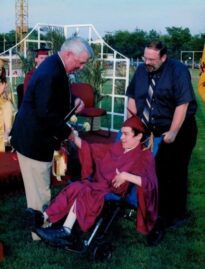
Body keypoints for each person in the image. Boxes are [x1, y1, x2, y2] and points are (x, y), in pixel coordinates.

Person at [25, 115, 158, 246]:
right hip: (100, 184)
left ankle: (66, 231)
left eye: (126, 134)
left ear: (139, 136)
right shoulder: (119, 147)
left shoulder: (144, 156)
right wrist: (73, 137)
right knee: (75, 186)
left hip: (113, 191)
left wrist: (126, 176)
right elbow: (94, 150)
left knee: (85, 191)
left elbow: (149, 183)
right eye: (121, 133)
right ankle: (43, 217)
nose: (121, 137)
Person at [10, 36, 94, 240]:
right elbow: (46, 113)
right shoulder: (51, 72)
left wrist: (74, 100)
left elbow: (53, 98)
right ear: (68, 54)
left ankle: (41, 224)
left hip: (35, 137)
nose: (81, 67)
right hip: (33, 141)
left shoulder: (56, 66)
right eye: (80, 62)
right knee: (40, 190)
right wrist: (70, 134)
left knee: (38, 187)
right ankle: (42, 232)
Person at [126, 40, 197, 233]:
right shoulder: (142, 70)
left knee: (175, 172)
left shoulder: (178, 71)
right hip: (152, 129)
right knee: (153, 169)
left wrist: (173, 132)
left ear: (164, 57)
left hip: (179, 128)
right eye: (145, 57)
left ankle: (176, 215)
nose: (147, 62)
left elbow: (182, 105)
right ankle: (154, 208)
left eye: (152, 59)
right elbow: (132, 97)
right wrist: (134, 125)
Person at [0, 58, 15, 151]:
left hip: (4, 106)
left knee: (7, 106)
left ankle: (6, 136)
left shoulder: (6, 83)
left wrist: (3, 93)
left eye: (0, 69)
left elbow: (10, 99)